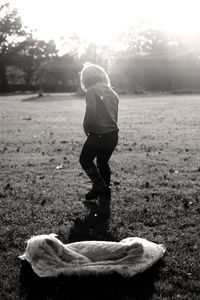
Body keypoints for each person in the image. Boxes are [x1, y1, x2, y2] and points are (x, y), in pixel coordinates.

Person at [79, 62, 119, 200]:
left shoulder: (91, 90)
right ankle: (105, 190)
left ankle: (98, 185)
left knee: (85, 159)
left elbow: (91, 111)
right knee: (103, 162)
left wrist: (86, 126)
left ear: (86, 78)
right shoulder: (112, 93)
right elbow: (115, 116)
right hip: (113, 135)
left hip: (99, 134)